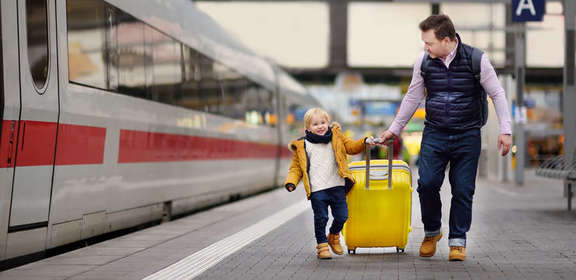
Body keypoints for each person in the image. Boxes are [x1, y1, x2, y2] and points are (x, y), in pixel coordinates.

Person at [380, 15, 512, 261]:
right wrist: (394, 129)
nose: (425, 47)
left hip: (467, 134)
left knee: (463, 190)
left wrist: (505, 130)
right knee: (427, 184)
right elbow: (412, 97)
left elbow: (497, 93)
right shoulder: (424, 62)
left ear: (447, 40)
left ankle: (458, 241)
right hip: (435, 133)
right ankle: (432, 232)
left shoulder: (477, 59)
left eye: (429, 42)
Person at [284, 108, 374, 259]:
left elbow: (351, 147)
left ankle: (333, 235)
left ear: (328, 123)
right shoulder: (303, 145)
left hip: (337, 186)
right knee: (321, 218)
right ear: (307, 128)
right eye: (315, 124)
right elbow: (296, 168)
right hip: (317, 190)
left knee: (342, 216)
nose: (320, 126)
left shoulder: (337, 137)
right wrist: (291, 182)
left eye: (323, 122)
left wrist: (364, 141)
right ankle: (322, 246)